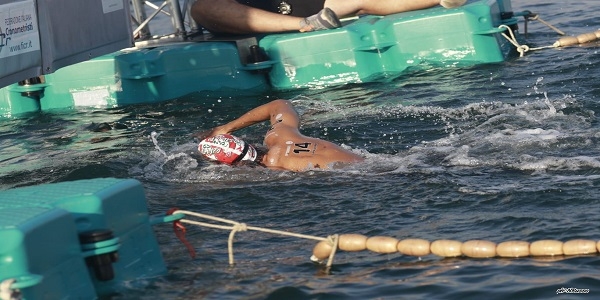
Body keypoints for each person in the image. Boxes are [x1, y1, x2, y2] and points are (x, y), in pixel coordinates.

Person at [194, 99, 364, 171]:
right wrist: (226, 127)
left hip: (369, 175)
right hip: (372, 163)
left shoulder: (274, 171)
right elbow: (279, 104)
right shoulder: (279, 136)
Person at [191, 0, 467, 35]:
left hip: (305, 5)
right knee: (202, 7)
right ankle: (306, 25)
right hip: (243, 12)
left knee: (361, 1)